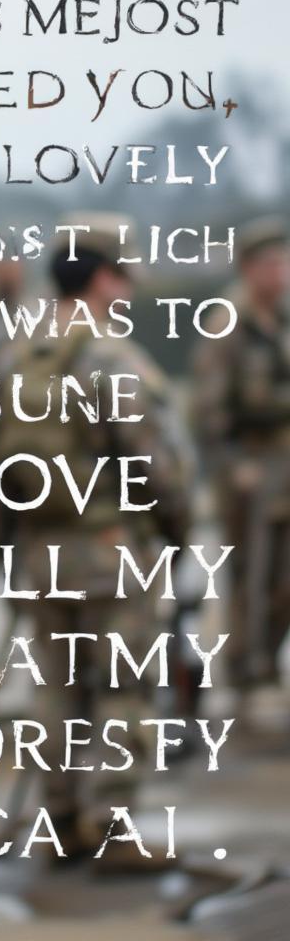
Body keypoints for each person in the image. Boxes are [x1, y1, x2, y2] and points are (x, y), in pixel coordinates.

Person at [0, 215, 190, 859]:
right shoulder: (111, 356)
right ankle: (114, 829)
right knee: (122, 687)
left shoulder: (16, 354)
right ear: (102, 277)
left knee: (57, 687)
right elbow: (156, 466)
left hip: (41, 554)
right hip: (110, 550)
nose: (127, 290)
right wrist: (175, 535)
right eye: (123, 276)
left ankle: (62, 820)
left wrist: (2, 551)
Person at [192, 216, 290, 700]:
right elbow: (208, 411)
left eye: (284, 260)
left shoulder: (284, 318)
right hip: (248, 465)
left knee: (284, 577)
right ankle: (245, 670)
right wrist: (232, 467)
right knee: (249, 573)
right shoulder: (227, 323)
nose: (281, 271)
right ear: (249, 268)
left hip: (284, 462)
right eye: (270, 263)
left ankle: (270, 661)